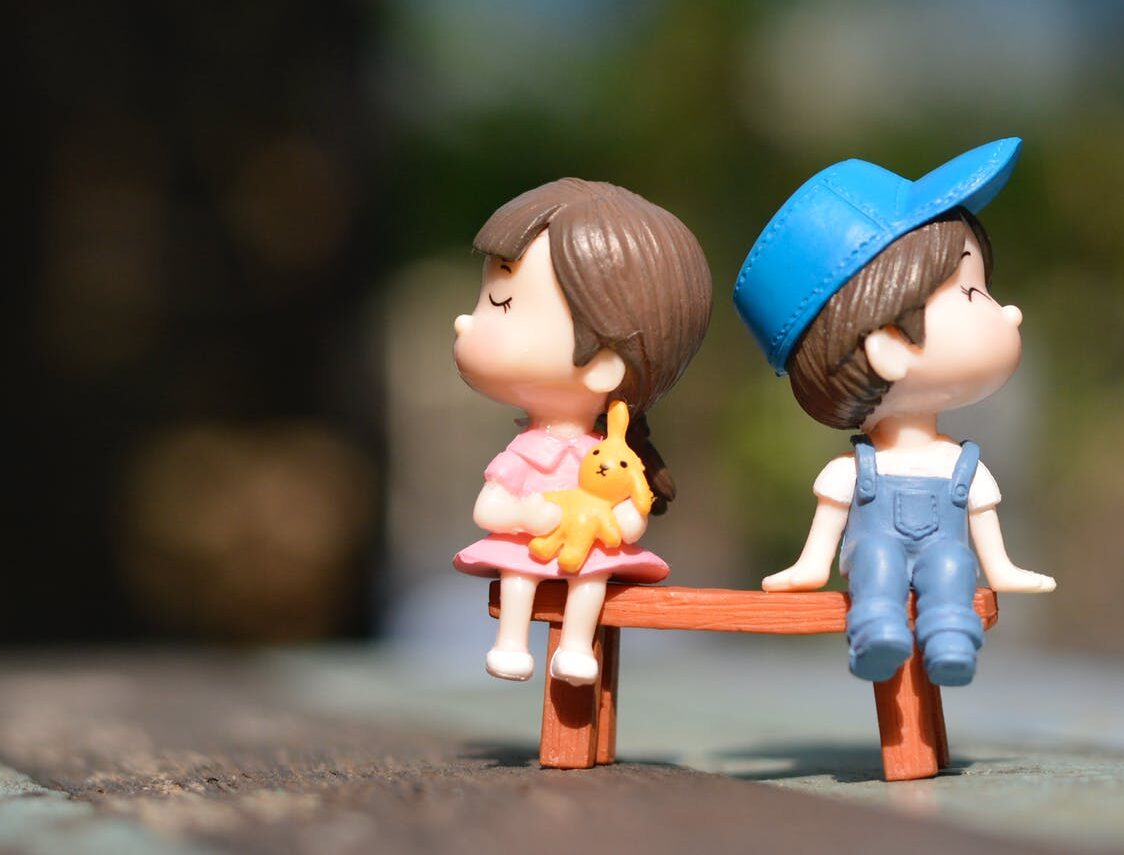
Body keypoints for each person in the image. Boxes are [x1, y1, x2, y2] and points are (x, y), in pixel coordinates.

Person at [733, 139, 1055, 687]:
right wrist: (810, 568)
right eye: (972, 291)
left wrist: (1001, 570)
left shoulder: (961, 463)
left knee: (953, 566)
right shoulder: (852, 470)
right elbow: (829, 528)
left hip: (942, 551)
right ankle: (875, 634)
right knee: (876, 563)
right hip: (875, 550)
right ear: (888, 344)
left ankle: (952, 640)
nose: (1011, 310)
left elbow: (982, 528)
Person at [452, 179, 710, 686]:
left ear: (604, 364)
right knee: (518, 572)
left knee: (592, 576)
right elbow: (489, 510)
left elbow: (631, 521)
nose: (465, 321)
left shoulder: (612, 456)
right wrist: (530, 513)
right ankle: (510, 643)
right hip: (533, 546)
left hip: (586, 549)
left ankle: (575, 646)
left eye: (501, 303)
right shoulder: (529, 451)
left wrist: (606, 521)